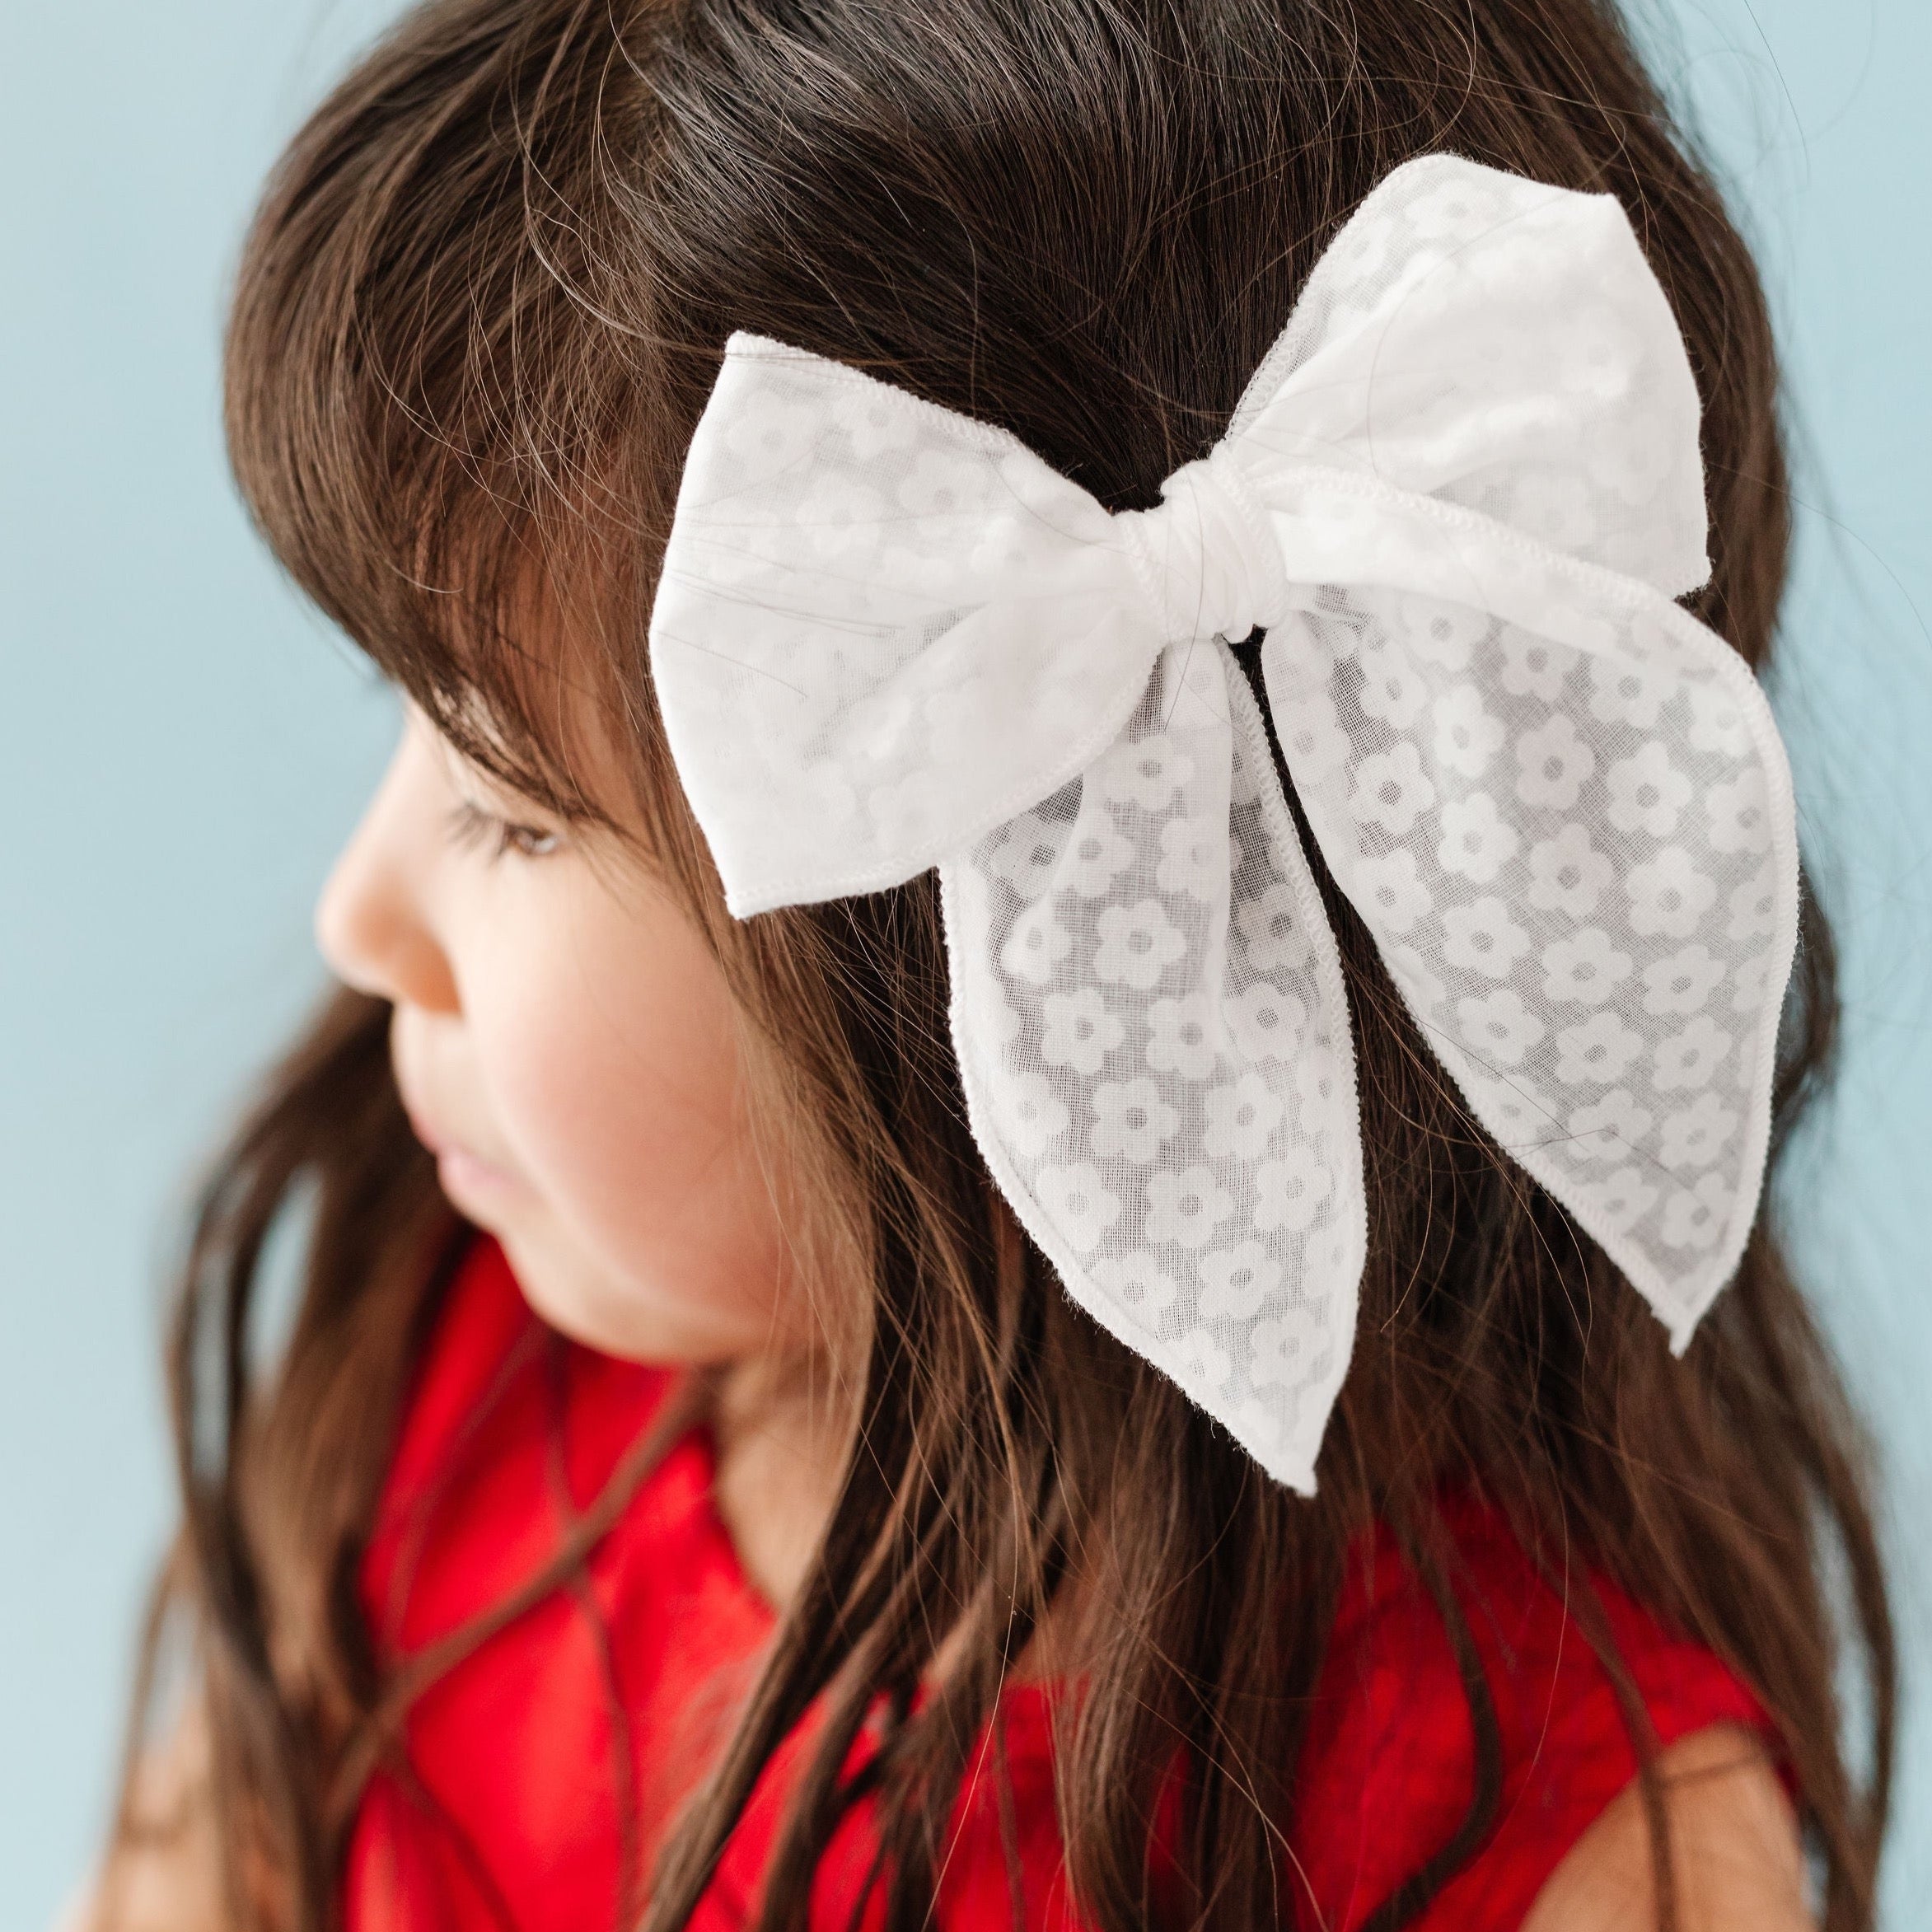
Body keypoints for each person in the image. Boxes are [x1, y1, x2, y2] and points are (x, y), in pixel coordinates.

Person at [77, 1, 1896, 1927]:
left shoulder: (1558, 1838)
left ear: (1106, 917)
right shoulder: (428, 1365)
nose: (356, 918)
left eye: (514, 807)